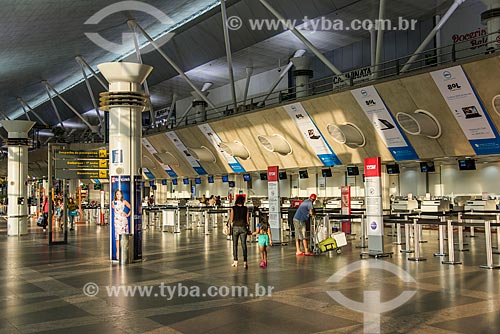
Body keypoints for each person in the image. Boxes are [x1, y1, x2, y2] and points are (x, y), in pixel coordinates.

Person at [230, 195, 250, 268]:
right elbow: (248, 221)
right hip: (243, 227)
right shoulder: (245, 209)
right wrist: (248, 228)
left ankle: (235, 261)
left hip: (235, 227)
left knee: (235, 244)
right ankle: (245, 262)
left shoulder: (233, 208)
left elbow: (231, 219)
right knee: (244, 245)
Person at [112, 189, 131, 259]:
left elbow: (132, 207)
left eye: (119, 194)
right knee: (117, 237)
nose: (118, 195)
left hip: (123, 221)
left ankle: (125, 252)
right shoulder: (113, 202)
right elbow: (116, 209)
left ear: (121, 195)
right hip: (117, 221)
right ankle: (118, 252)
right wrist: (121, 212)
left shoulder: (124, 201)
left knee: (124, 236)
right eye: (117, 194)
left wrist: (128, 214)